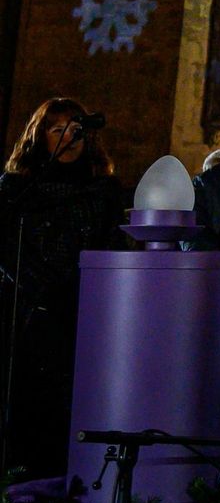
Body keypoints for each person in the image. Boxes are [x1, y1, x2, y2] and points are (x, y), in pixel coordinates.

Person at [0, 100, 127, 476]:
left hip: (79, 308)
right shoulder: (17, 187)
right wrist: (38, 288)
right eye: (58, 129)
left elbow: (110, 244)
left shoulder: (102, 189)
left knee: (68, 402)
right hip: (23, 310)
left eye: (77, 129)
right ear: (40, 137)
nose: (70, 136)